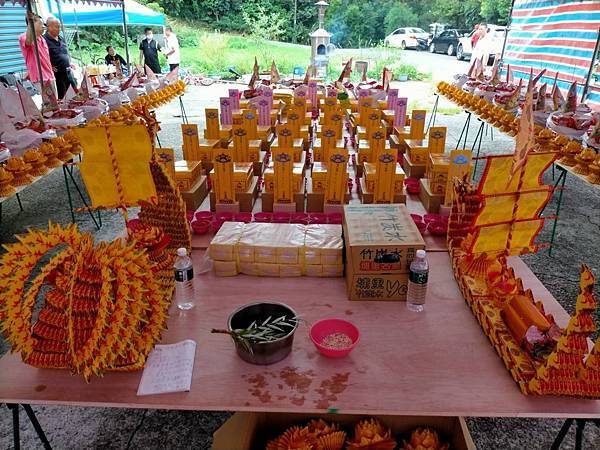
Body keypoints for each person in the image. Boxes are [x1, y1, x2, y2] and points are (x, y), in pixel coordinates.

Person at [18, 13, 56, 97]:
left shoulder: (42, 39)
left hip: (50, 76)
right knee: (49, 106)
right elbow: (28, 41)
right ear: (32, 24)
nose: (43, 26)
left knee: (55, 104)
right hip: (40, 78)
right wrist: (30, 24)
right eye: (40, 24)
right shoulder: (23, 37)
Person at [44, 17, 75, 99]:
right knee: (62, 97)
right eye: (57, 27)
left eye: (59, 27)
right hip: (57, 74)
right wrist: (50, 66)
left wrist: (70, 62)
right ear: (49, 27)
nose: (59, 29)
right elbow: (42, 57)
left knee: (75, 93)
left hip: (68, 71)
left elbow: (65, 52)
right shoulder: (44, 40)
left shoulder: (61, 38)